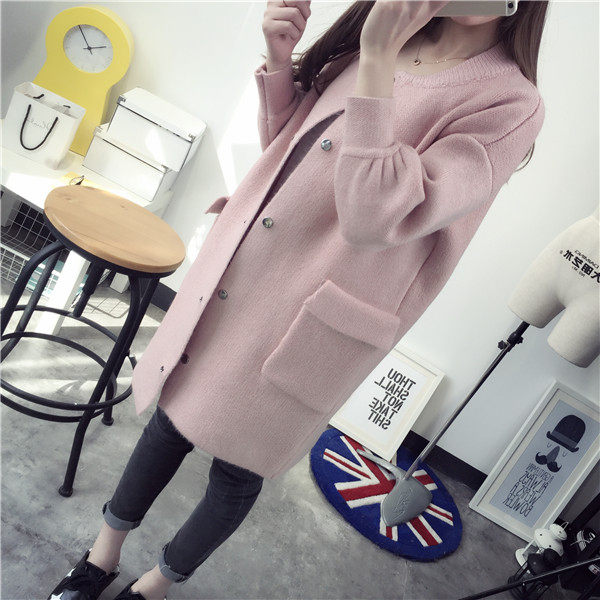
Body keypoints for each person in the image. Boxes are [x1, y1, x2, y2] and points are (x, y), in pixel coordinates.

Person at [48, 1, 548, 598]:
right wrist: (282, 62)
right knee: (170, 420)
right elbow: (289, 150)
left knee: (238, 468)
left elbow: (374, 214)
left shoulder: (508, 103)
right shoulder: (384, 38)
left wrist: (378, 58)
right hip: (244, 275)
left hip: (317, 311)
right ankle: (100, 557)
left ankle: (153, 586)